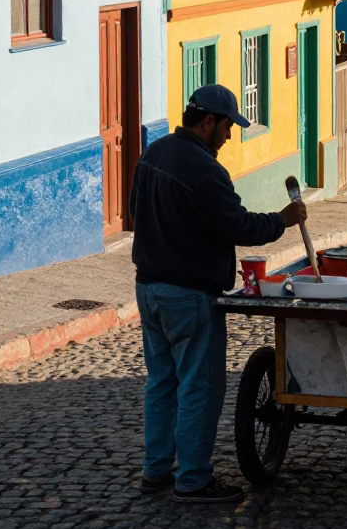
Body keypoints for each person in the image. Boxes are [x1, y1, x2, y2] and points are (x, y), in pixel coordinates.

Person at [130, 83, 307, 505]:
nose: (229, 137)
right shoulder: (206, 170)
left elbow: (138, 212)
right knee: (199, 386)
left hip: (148, 288)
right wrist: (281, 220)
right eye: (227, 127)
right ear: (208, 121)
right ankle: (193, 478)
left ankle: (156, 470)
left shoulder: (152, 155)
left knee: (161, 382)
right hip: (189, 294)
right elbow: (238, 226)